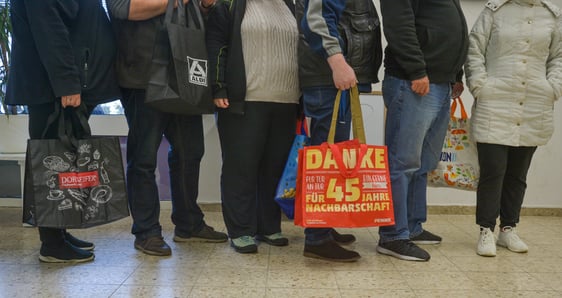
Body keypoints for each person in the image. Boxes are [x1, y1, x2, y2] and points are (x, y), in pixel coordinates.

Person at [106, 0, 227, 257]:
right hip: (142, 76)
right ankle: (146, 231)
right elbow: (122, 9)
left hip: (183, 72)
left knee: (190, 151)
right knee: (144, 158)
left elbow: (196, 14)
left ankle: (188, 223)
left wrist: (204, 5)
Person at [6, 0, 121, 263]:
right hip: (51, 89)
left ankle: (58, 233)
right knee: (50, 163)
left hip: (59, 86)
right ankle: (52, 244)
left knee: (62, 164)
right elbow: (50, 30)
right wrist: (67, 83)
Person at [465, 0, 562, 257]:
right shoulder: (495, 10)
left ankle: (508, 228)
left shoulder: (552, 14)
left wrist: (553, 87)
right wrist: (479, 85)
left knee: (518, 173)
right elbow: (474, 48)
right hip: (495, 99)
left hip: (534, 102)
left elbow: (559, 57)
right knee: (493, 170)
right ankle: (486, 229)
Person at [376, 0, 468, 261]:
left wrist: (456, 75)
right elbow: (398, 24)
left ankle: (413, 227)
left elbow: (450, 26)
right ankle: (393, 235)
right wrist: (416, 69)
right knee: (403, 162)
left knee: (422, 163)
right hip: (414, 80)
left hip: (441, 81)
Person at [205, 0, 299, 253]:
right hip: (244, 100)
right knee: (241, 167)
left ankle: (268, 226)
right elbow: (216, 44)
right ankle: (241, 230)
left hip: (287, 100)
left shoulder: (290, 4)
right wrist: (218, 86)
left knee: (274, 168)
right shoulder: (231, 4)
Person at [296, 0, 382, 262]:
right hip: (326, 77)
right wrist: (337, 62)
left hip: (332, 77)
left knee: (333, 156)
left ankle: (323, 224)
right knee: (325, 155)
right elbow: (317, 19)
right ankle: (316, 238)